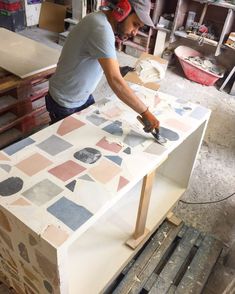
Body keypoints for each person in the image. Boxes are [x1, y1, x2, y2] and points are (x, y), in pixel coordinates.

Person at [46, 0, 159, 133]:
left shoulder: (101, 21)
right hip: (65, 102)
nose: (135, 32)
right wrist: (145, 112)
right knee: (70, 144)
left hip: (81, 96)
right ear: (122, 10)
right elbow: (115, 81)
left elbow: (103, 57)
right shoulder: (101, 28)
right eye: (135, 24)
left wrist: (118, 69)